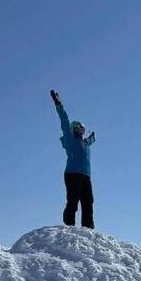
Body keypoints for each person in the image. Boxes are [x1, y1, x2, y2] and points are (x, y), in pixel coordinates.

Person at [50, 90, 96, 229]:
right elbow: (64, 120)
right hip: (72, 174)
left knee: (88, 201)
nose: (82, 129)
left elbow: (89, 141)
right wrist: (58, 103)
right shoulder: (70, 139)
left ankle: (88, 228)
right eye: (80, 127)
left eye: (83, 128)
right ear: (74, 128)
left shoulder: (84, 142)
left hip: (86, 176)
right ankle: (69, 224)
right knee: (73, 200)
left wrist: (92, 138)